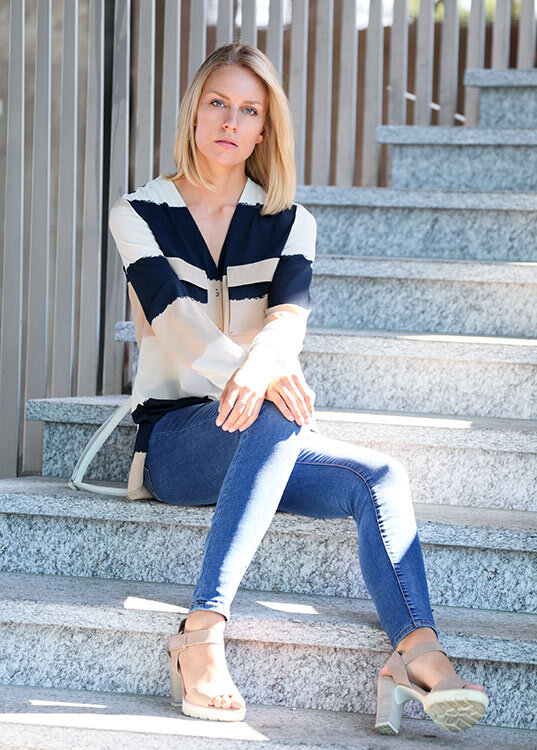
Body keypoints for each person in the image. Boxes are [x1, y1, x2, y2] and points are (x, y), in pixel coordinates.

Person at [108, 40, 489, 735]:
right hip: (178, 442)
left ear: (264, 129)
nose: (231, 121)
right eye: (217, 103)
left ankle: (416, 652)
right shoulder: (139, 211)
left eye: (249, 110)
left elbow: (288, 322)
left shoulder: (289, 222)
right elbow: (175, 321)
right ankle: (201, 630)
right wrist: (254, 373)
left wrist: (264, 366)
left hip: (263, 428)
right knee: (274, 412)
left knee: (378, 475)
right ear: (194, 112)